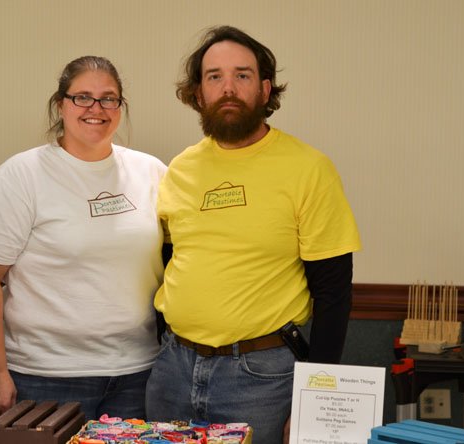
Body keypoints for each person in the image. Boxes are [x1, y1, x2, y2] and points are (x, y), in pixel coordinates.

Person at [145, 26, 362, 444]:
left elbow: (334, 292)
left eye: (242, 75)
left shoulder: (308, 168)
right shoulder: (180, 169)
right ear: (198, 93)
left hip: (262, 379)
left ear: (265, 90)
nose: (228, 88)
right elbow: (171, 264)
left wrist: (312, 398)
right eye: (214, 77)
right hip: (172, 370)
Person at [0, 56, 167, 421]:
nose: (96, 109)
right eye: (82, 97)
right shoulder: (22, 176)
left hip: (137, 373)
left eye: (108, 98)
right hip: (46, 377)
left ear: (120, 107)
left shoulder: (151, 172)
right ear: (60, 105)